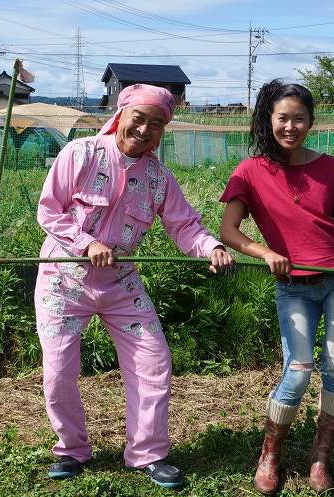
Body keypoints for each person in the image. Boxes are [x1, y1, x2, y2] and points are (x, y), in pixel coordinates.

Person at [35, 83, 234, 489]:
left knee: (153, 361)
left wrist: (211, 247)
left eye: (157, 124)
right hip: (63, 280)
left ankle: (148, 453)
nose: (145, 130)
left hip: (120, 284)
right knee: (59, 371)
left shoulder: (159, 178)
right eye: (139, 119)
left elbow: (185, 226)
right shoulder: (82, 154)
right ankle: (71, 449)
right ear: (120, 115)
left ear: (164, 130)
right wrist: (87, 243)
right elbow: (49, 210)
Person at [219, 80, 334, 494]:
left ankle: (319, 458)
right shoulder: (250, 172)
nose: (290, 126)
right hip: (292, 286)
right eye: (282, 118)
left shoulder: (329, 167)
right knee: (297, 370)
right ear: (267, 120)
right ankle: (270, 455)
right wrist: (264, 253)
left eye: (299, 118)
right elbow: (228, 230)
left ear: (310, 122)